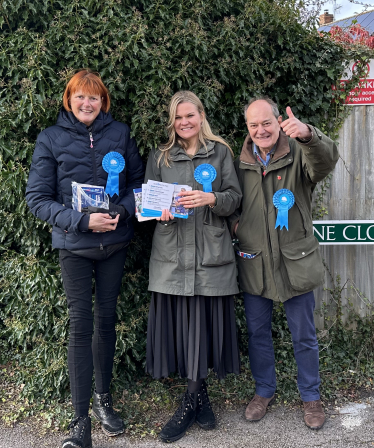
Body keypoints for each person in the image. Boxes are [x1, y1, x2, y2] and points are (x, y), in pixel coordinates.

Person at [26, 70, 144, 448]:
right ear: (69, 99)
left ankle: (103, 402)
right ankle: (80, 422)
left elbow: (138, 187)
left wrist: (121, 214)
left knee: (106, 321)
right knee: (80, 326)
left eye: (93, 97)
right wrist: (80, 221)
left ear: (103, 101)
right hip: (74, 247)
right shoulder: (50, 138)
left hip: (114, 244)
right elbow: (37, 199)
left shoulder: (120, 134)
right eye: (80, 97)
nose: (87, 103)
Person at [231, 96, 338, 430]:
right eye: (254, 124)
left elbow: (324, 163)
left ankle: (311, 396)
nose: (261, 130)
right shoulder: (240, 161)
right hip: (255, 262)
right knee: (257, 333)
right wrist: (238, 226)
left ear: (279, 121)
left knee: (303, 334)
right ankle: (264, 390)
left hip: (295, 262)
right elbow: (229, 199)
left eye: (267, 122)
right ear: (247, 128)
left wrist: (308, 135)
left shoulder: (298, 153)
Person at [145, 90, 242, 443]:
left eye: (190, 115)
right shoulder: (161, 157)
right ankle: (198, 398)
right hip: (172, 258)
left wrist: (212, 198)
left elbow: (235, 198)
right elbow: (148, 202)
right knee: (182, 332)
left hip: (210, 258)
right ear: (172, 121)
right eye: (178, 117)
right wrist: (162, 211)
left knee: (200, 330)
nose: (184, 122)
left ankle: (189, 402)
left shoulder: (221, 153)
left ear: (201, 115)